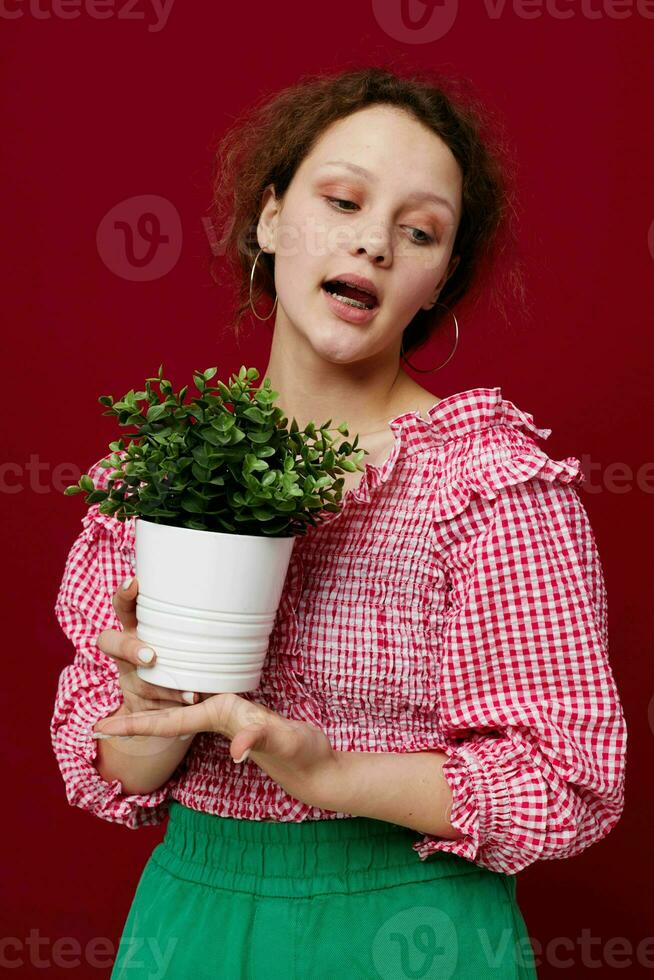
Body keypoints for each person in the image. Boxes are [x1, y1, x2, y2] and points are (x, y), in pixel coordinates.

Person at [51, 66, 627, 979]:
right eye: (343, 200)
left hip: (413, 928)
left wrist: (330, 774)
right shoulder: (160, 478)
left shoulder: (487, 479)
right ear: (271, 219)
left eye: (420, 230)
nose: (374, 244)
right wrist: (149, 708)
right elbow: (113, 773)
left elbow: (563, 782)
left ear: (439, 281)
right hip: (192, 920)